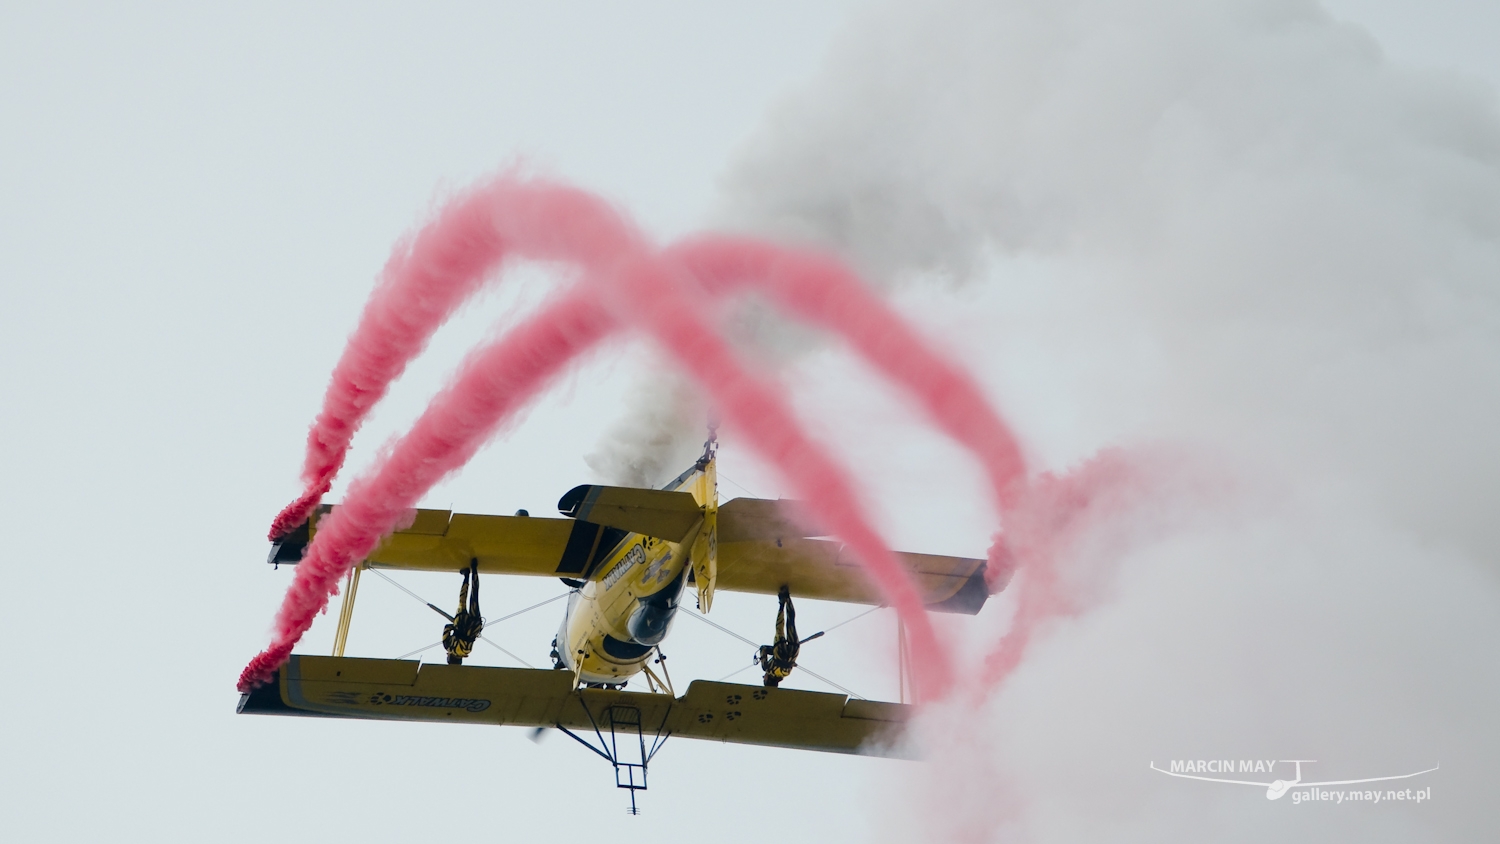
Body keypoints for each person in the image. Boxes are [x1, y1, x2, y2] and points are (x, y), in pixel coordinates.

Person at [443, 559, 484, 665]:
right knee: (462, 599)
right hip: (460, 622)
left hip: (473, 625)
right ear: (449, 656)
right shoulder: (447, 646)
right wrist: (454, 626)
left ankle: (474, 569)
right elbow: (447, 627)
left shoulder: (468, 651)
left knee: (474, 596)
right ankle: (466, 576)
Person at [758, 586, 798, 687]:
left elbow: (790, 665)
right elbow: (764, 648)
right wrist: (772, 651)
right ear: (767, 680)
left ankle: (787, 598)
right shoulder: (767, 668)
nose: (764, 676)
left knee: (791, 623)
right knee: (779, 627)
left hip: (793, 653)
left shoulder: (786, 674)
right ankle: (781, 603)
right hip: (779, 652)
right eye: (764, 678)